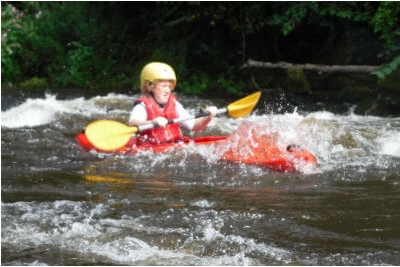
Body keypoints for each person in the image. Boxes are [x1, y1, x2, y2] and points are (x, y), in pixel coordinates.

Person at [129, 62, 218, 145]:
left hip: (175, 146)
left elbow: (194, 125)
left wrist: (208, 117)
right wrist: (152, 122)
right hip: (151, 151)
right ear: (149, 86)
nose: (168, 90)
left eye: (169, 86)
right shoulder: (142, 106)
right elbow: (134, 123)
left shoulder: (175, 105)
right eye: (163, 86)